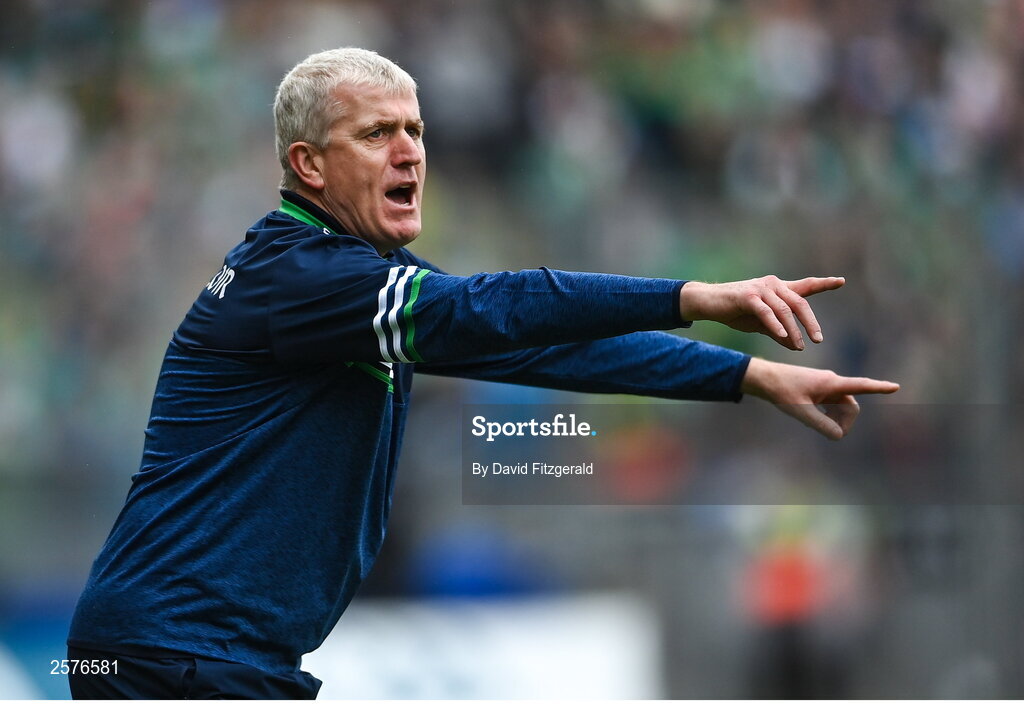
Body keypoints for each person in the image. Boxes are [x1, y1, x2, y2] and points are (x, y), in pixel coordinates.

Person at [66, 47, 898, 699]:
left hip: (205, 654)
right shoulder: (303, 278)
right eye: (376, 134)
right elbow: (499, 308)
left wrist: (748, 379)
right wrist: (693, 296)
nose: (409, 153)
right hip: (174, 654)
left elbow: (539, 346)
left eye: (416, 132)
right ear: (309, 166)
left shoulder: (352, 285)